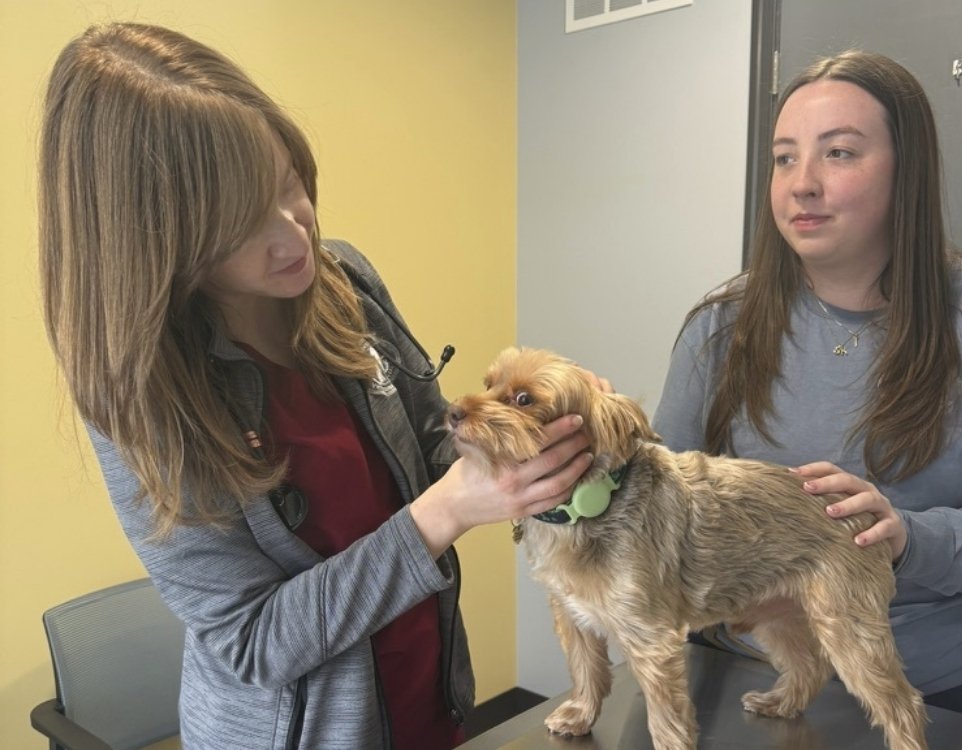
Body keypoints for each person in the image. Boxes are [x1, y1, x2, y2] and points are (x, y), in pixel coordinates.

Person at [38, 22, 597, 750]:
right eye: (241, 225)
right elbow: (254, 641)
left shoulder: (344, 282)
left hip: (430, 699)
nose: (294, 235)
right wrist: (445, 514)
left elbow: (431, 452)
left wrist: (522, 441)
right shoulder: (140, 397)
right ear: (161, 243)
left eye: (289, 185)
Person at [653, 49, 962, 722]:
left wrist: (906, 541)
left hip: (944, 692)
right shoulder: (720, 325)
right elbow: (663, 506)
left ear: (909, 171)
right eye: (784, 158)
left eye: (838, 153)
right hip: (745, 676)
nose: (801, 184)